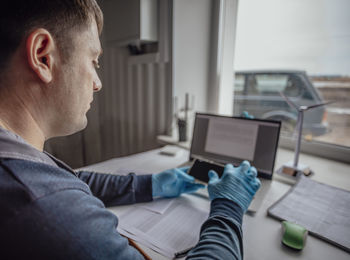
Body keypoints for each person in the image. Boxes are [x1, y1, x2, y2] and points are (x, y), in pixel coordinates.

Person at [0, 0, 261, 259]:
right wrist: (229, 207)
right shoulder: (48, 208)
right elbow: (56, 191)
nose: (97, 83)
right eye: (93, 61)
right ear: (42, 56)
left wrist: (151, 185)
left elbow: (67, 179)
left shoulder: (17, 158)